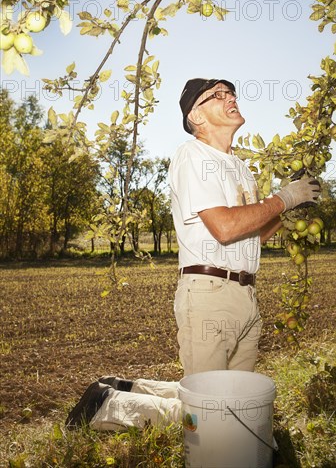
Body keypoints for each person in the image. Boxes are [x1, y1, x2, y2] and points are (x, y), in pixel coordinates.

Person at [65, 78, 321, 431]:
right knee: (212, 412)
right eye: (217, 95)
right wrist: (284, 199)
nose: (230, 97)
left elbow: (251, 235)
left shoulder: (241, 168)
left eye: (231, 92)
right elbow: (225, 227)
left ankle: (129, 389)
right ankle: (109, 406)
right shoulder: (193, 156)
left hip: (246, 294)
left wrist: (289, 211)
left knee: (236, 402)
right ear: (196, 117)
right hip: (209, 293)